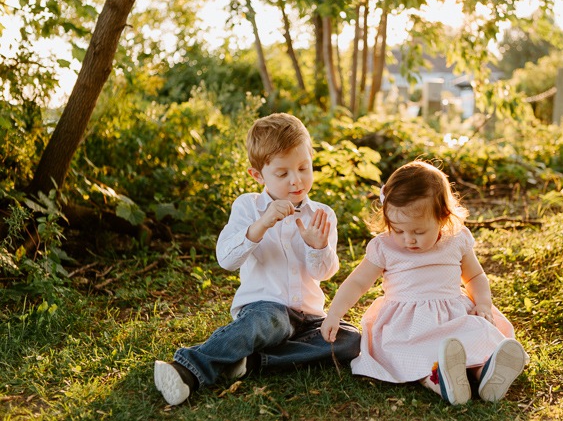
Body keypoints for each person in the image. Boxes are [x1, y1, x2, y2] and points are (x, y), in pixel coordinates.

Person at [154, 113, 361, 406]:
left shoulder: (322, 215)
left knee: (350, 338)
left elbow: (323, 272)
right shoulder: (248, 207)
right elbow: (227, 259)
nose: (296, 180)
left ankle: (252, 361)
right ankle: (188, 368)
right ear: (258, 175)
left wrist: (318, 246)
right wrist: (260, 225)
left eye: (304, 167)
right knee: (268, 321)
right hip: (266, 310)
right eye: (282, 173)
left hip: (310, 318)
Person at [320, 160, 528, 405]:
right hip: (406, 326)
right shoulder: (384, 247)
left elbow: (474, 276)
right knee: (413, 352)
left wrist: (482, 303)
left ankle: (487, 374)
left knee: (476, 332)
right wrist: (334, 313)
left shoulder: (456, 240)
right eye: (398, 230)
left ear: (442, 217)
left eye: (418, 232)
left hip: (453, 315)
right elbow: (357, 283)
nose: (409, 239)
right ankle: (442, 381)